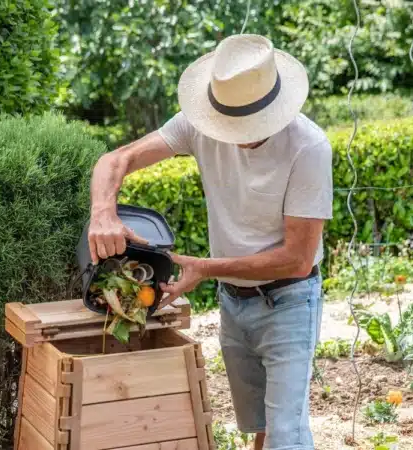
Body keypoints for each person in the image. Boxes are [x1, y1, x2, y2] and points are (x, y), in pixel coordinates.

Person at [88, 34, 333, 450]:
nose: (237, 134)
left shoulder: (308, 147)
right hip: (234, 303)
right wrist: (103, 214)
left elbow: (296, 259)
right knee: (260, 427)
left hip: (290, 302)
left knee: (286, 436)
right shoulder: (199, 125)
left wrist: (204, 268)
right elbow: (116, 160)